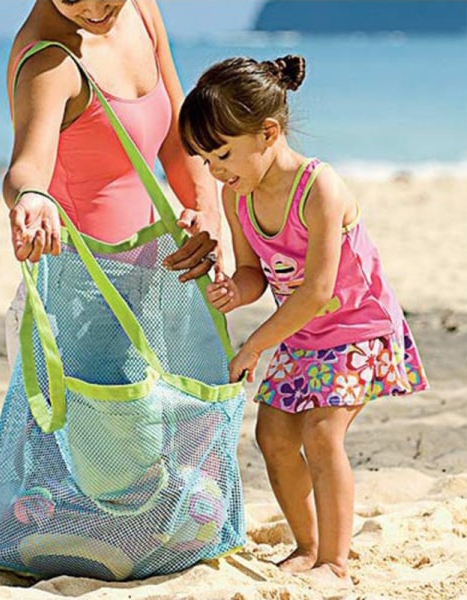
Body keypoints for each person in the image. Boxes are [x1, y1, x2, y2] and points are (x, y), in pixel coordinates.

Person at [0, 0, 221, 562]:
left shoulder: (141, 12)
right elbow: (26, 169)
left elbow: (177, 137)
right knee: (112, 524)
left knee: (160, 508)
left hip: (151, 293)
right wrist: (31, 198)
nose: (95, 6)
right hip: (78, 314)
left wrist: (206, 210)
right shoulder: (48, 61)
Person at [178, 55, 428, 589]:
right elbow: (254, 274)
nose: (215, 169)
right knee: (273, 436)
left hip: (357, 329)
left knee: (321, 432)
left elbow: (316, 292)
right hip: (302, 333)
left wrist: (253, 347)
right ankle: (307, 544)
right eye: (204, 158)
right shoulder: (236, 195)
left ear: (268, 132)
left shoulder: (320, 187)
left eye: (222, 153)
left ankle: (335, 561)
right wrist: (234, 291)